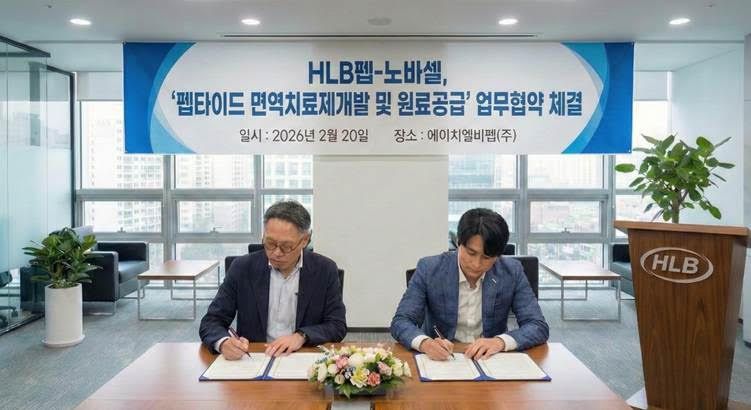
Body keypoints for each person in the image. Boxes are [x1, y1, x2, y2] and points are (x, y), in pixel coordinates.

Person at [391, 208, 548, 361]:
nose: (476, 264)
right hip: (444, 359)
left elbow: (537, 325)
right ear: (458, 242)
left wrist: (500, 342)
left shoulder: (512, 271)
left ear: (498, 255)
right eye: (471, 253)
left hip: (490, 358)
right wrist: (425, 343)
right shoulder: (430, 269)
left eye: (487, 257)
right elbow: (401, 321)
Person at [200, 200, 346, 359]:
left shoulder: (324, 270)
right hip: (254, 356)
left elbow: (337, 325)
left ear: (305, 240)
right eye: (270, 243)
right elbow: (212, 321)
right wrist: (223, 342)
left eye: (286, 246)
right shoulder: (242, 268)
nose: (276, 253)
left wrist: (301, 336)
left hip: (301, 356)